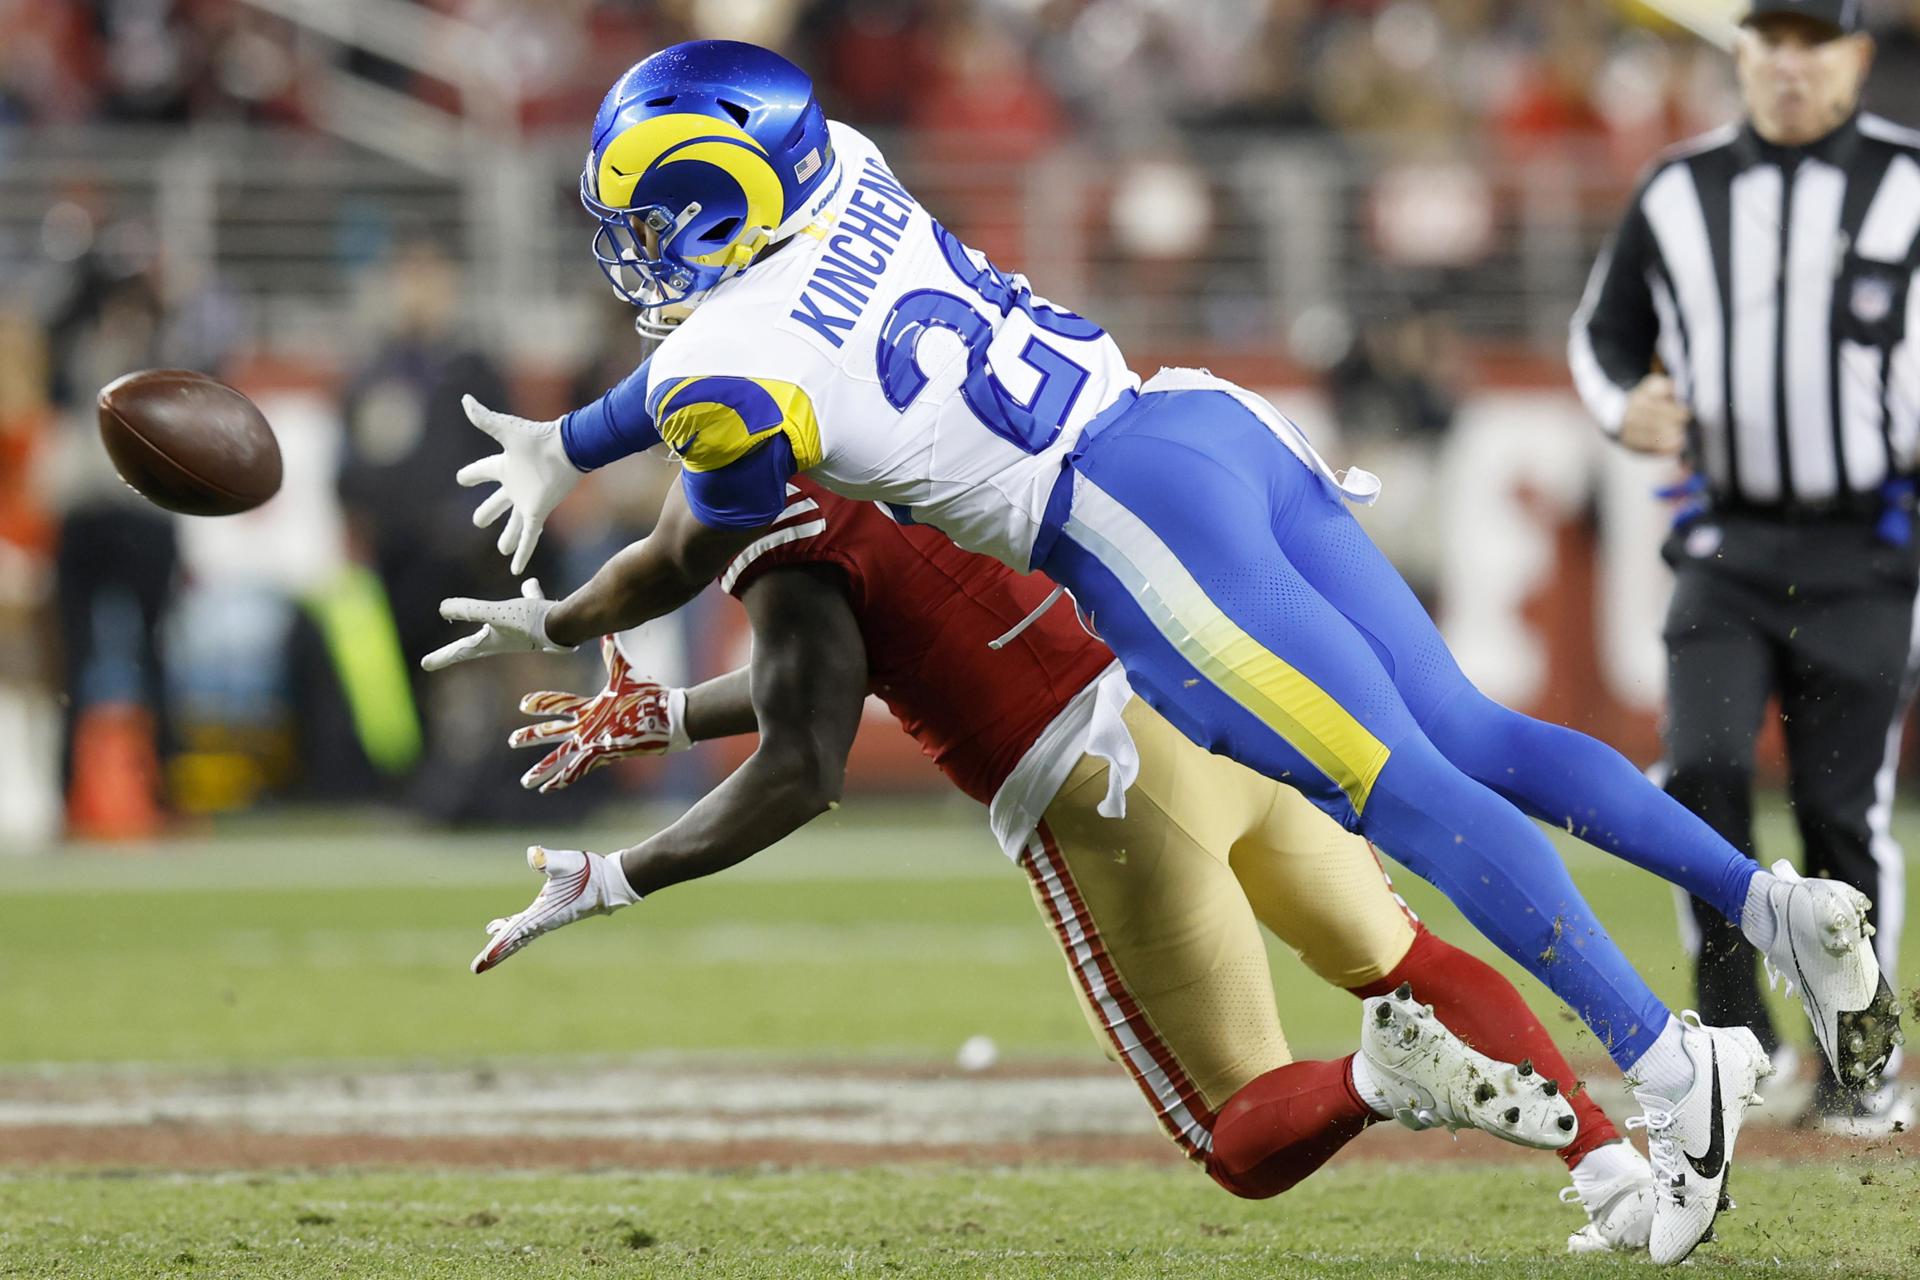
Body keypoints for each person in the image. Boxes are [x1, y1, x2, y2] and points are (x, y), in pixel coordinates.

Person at [424, 39, 1900, 1264]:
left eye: (655, 215)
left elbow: (700, 521)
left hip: (1120, 524)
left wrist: (564, 525)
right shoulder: (855, 165)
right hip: (1200, 421)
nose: (635, 251)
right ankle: (1773, 906)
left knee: (1389, 788)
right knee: (1470, 728)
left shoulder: (714, 382)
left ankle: (1664, 1059)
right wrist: (571, 438)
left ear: (720, 200)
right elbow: (705, 368)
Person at [475, 475, 1656, 1252]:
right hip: (1199, 695)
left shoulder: (764, 499)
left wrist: (616, 875)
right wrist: (677, 712)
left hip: (1098, 786)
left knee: (1236, 1134)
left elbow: (805, 760)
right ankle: (1616, 1173)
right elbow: (885, 638)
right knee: (1406, 953)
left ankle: (1378, 1081)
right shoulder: (899, 386)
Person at [1570, 0, 1915, 1135]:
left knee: (1837, 809)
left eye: (1814, 40)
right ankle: (1732, 1030)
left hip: (1869, 542)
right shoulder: (1680, 189)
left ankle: (1859, 1057)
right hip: (1726, 540)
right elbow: (1603, 332)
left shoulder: (1911, 182)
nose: (1789, 64)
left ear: (1857, 57)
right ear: (1743, 54)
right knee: (1703, 773)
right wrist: (1628, 406)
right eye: (1769, 39)